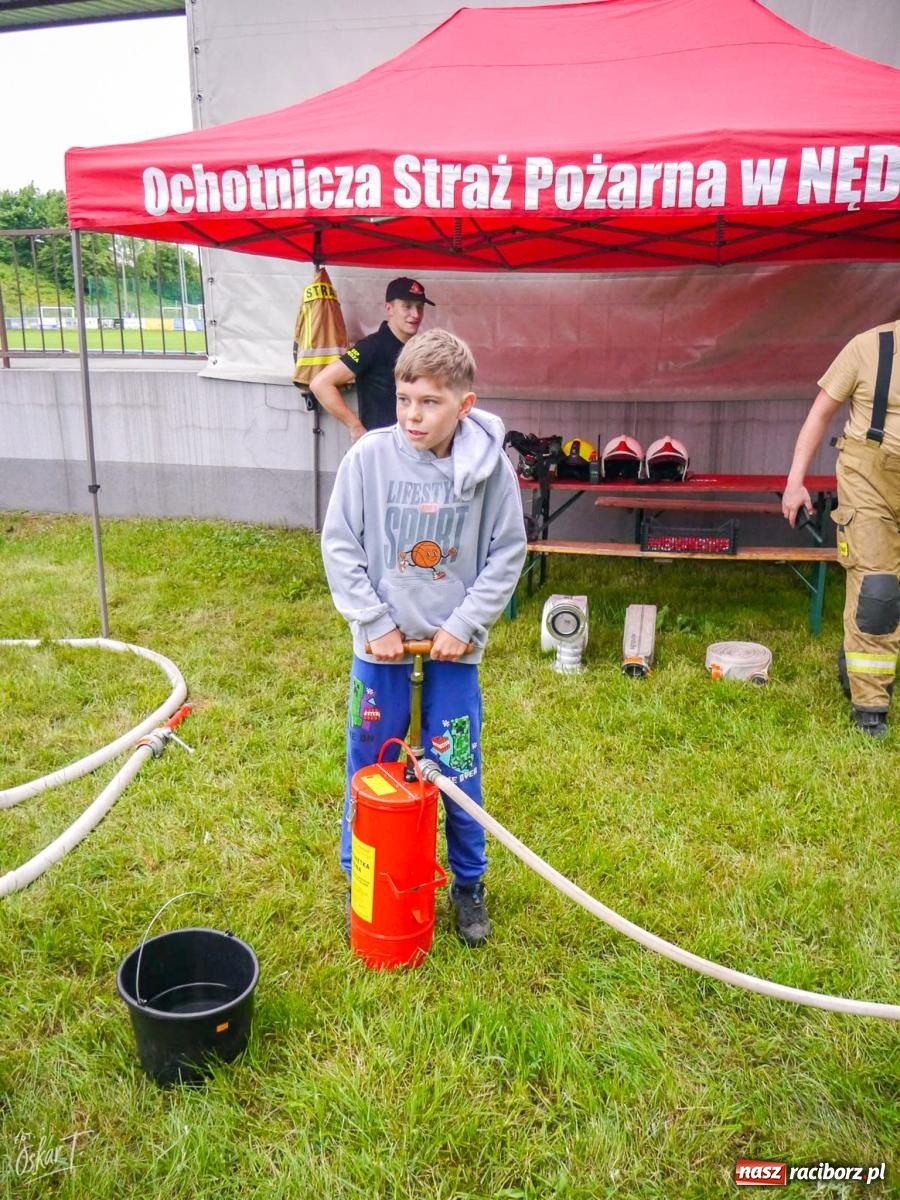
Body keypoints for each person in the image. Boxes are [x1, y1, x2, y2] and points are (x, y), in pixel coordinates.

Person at [320, 328, 527, 944]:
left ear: (464, 405)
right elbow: (340, 545)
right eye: (405, 399)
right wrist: (374, 622)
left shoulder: (491, 471)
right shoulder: (368, 459)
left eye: (430, 402)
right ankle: (364, 874)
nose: (412, 415)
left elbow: (506, 553)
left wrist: (464, 625)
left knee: (457, 765)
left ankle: (468, 883)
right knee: (370, 761)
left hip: (452, 654)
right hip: (380, 652)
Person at [782, 318, 899, 739]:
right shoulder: (867, 347)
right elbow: (820, 414)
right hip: (869, 477)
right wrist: (795, 482)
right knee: (878, 589)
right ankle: (870, 705)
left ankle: (856, 656)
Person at [310, 276, 435, 440]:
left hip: (411, 442)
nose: (415, 314)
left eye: (420, 307)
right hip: (380, 444)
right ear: (389, 308)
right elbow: (320, 384)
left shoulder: (417, 348)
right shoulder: (372, 347)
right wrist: (355, 426)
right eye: (407, 306)